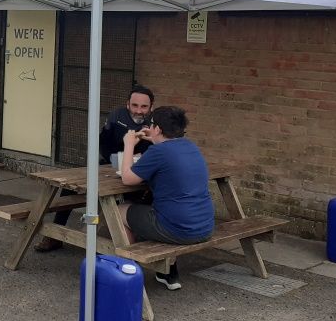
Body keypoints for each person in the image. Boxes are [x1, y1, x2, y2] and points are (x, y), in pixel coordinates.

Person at [33, 85, 154, 253]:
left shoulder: (154, 125)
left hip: (137, 172)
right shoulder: (116, 116)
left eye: (144, 106)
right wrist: (113, 162)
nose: (139, 111)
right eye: (135, 105)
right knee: (68, 189)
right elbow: (102, 143)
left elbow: (153, 155)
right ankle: (53, 236)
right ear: (128, 104)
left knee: (139, 196)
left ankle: (129, 245)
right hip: (109, 165)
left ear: (151, 107)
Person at [117, 106, 214, 291]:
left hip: (179, 230)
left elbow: (128, 178)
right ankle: (167, 272)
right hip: (204, 227)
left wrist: (129, 144)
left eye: (151, 125)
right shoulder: (191, 147)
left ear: (158, 129)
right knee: (157, 209)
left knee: (119, 211)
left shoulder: (158, 152)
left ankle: (129, 275)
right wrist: (155, 141)